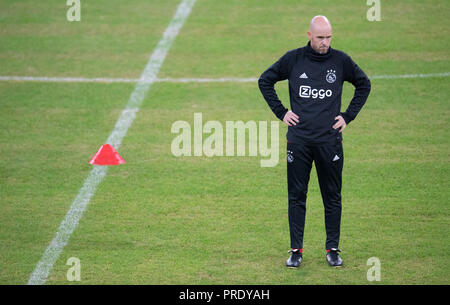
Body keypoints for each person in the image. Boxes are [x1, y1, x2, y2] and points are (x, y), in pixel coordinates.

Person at [258, 15, 371, 267]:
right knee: (297, 196)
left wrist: (347, 116)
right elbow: (265, 80)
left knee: (332, 196)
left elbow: (364, 84)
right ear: (309, 35)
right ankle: (296, 251)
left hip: (330, 142)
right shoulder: (293, 59)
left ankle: (332, 249)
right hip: (298, 142)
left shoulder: (341, 61)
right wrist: (282, 112)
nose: (325, 42)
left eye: (329, 37)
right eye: (320, 37)